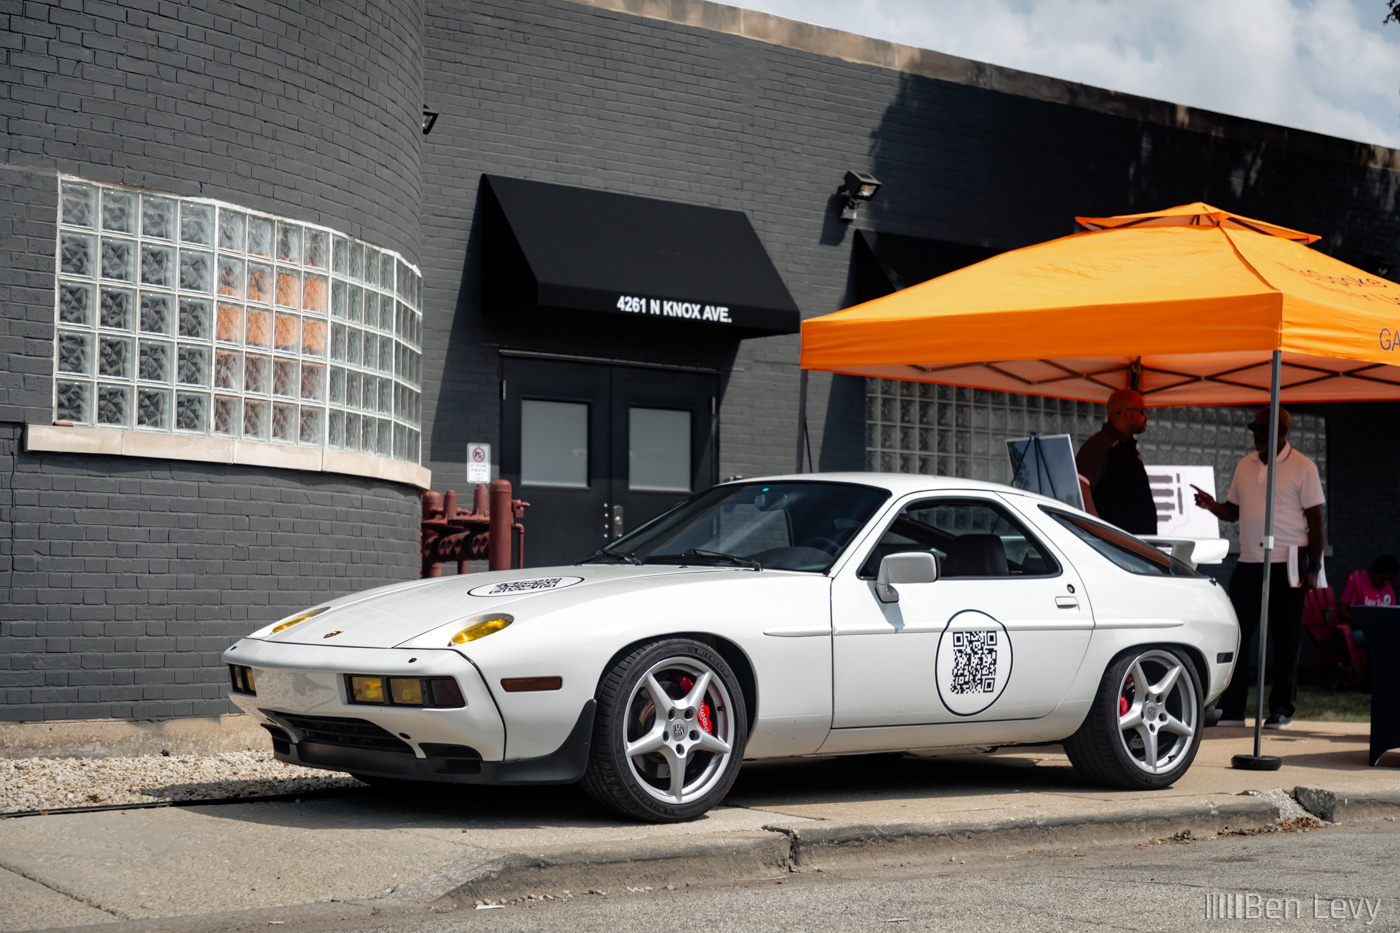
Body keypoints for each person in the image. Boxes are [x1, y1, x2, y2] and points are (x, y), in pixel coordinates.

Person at [1193, 407, 1325, 729]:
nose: (1256, 434)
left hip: (1286, 564)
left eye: (1263, 429)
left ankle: (1281, 710)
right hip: (1250, 563)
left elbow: (1316, 522)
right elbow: (1234, 511)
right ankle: (1233, 709)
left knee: (1286, 639)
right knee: (1238, 635)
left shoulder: (1303, 467)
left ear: (1282, 431)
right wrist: (1212, 506)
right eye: (1254, 428)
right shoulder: (1245, 465)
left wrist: (1314, 567)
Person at [1076, 389, 1157, 534]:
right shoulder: (1100, 444)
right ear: (1126, 414)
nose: (1146, 415)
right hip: (1115, 549)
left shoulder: (1128, 447)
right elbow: (1079, 485)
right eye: (1142, 410)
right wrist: (1098, 531)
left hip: (1138, 546)